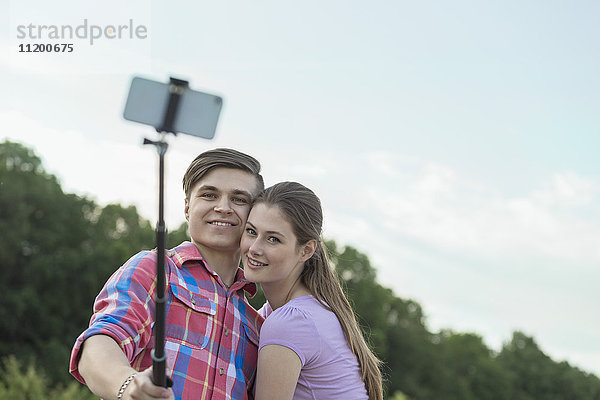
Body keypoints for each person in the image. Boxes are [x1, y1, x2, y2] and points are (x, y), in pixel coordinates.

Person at [69, 148, 265, 400]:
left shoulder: (256, 322)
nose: (223, 207)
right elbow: (100, 342)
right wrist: (128, 385)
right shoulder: (154, 269)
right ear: (187, 208)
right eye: (209, 194)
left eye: (239, 199)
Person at [240, 181, 383, 400]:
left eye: (273, 239)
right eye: (251, 231)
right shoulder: (304, 311)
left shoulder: (291, 322)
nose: (254, 248)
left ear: (306, 250)